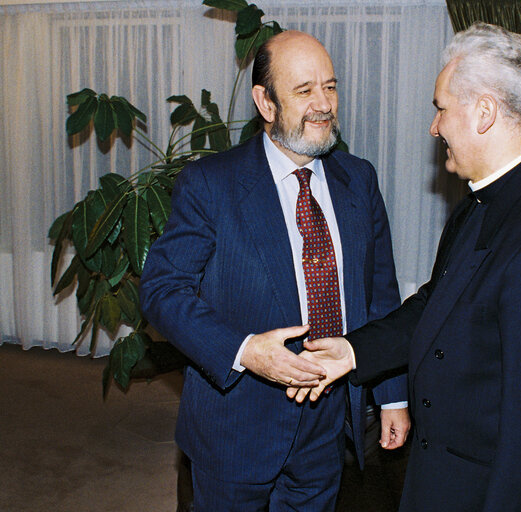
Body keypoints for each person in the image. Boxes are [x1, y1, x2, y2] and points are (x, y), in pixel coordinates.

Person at [289, 22, 521, 512]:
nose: (435, 127)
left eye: (441, 109)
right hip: (442, 473)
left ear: (484, 113)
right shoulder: (483, 197)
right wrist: (354, 351)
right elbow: (437, 305)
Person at [139, 30, 409, 511]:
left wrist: (392, 397)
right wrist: (244, 351)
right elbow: (162, 290)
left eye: (330, 86)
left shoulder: (359, 179)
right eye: (304, 91)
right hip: (236, 423)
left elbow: (379, 295)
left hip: (330, 425)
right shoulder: (210, 184)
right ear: (265, 102)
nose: (323, 104)